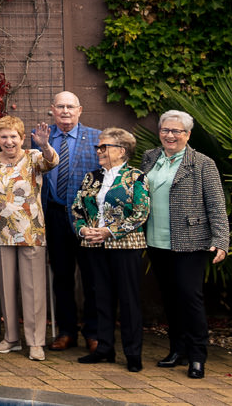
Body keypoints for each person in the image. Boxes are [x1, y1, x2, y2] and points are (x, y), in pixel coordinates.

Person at [142, 110, 229, 380]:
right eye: (165, 130)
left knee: (190, 298)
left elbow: (216, 204)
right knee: (169, 298)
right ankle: (176, 350)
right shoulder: (150, 157)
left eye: (176, 131)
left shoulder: (203, 163)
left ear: (188, 135)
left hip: (190, 242)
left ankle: (197, 356)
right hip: (156, 240)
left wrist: (221, 240)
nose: (170, 135)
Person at [0, 114, 59, 361]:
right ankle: (11, 338)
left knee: (33, 289)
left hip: (31, 233)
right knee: (6, 288)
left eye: (14, 136)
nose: (9, 141)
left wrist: (44, 145)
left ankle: (35, 342)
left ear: (22, 138)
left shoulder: (33, 157)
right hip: (0, 234)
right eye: (4, 136)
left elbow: (52, 162)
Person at [71, 126, 150, 372]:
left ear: (121, 151)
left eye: (104, 147)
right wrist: (83, 229)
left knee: (128, 300)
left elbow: (141, 213)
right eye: (99, 146)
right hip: (94, 245)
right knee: (99, 298)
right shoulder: (91, 177)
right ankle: (104, 348)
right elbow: (77, 208)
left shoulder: (136, 177)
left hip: (126, 247)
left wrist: (109, 231)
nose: (99, 151)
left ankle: (133, 353)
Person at [41, 90, 100, 352]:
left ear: (80, 110)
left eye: (70, 107)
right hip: (54, 215)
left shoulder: (98, 138)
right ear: (52, 109)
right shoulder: (40, 139)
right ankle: (66, 331)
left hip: (88, 218)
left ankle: (93, 331)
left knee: (92, 277)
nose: (65, 111)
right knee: (61, 276)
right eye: (61, 106)